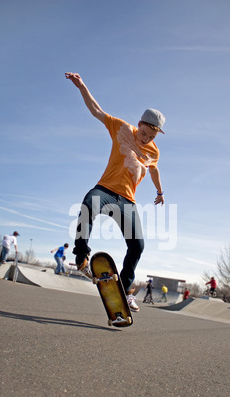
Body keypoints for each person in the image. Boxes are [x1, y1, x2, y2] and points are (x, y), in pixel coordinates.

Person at [65, 72, 165, 313]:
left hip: (127, 202)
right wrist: (82, 87)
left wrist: (160, 192)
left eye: (151, 137)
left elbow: (154, 171)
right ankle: (82, 258)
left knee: (138, 245)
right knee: (88, 205)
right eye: (143, 133)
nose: (145, 139)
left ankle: (126, 290)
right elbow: (97, 111)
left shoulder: (154, 151)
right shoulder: (121, 128)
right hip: (106, 190)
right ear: (138, 124)